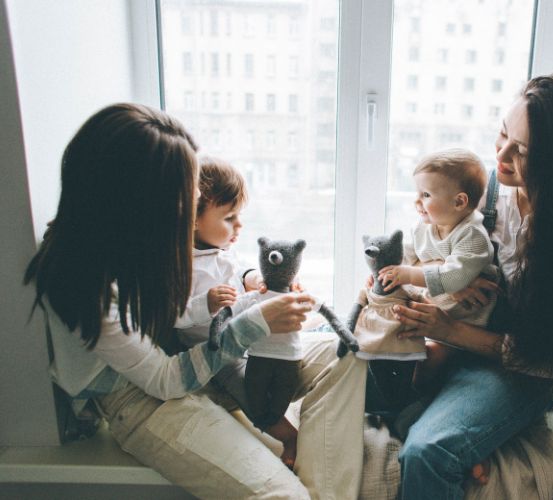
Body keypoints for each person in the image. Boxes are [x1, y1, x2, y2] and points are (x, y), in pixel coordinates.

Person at [24, 103, 366, 500]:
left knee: (348, 354)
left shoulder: (141, 237)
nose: (194, 200)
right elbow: (165, 381)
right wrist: (255, 323)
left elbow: (212, 278)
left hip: (200, 358)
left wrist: (258, 289)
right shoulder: (86, 281)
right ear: (141, 200)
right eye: (188, 194)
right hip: (144, 398)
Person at [392, 74, 553, 499]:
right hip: (454, 349)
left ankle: (474, 433)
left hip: (515, 370)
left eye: (521, 151)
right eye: (503, 133)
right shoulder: (482, 195)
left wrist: (448, 330)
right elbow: (423, 249)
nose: (500, 155)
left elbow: (545, 361)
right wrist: (448, 277)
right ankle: (474, 436)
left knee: (428, 452)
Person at [174, 156, 303, 469]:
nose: (239, 226)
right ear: (193, 219)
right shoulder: (180, 264)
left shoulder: (222, 250)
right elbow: (173, 316)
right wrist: (205, 304)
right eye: (230, 217)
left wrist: (254, 279)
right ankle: (289, 436)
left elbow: (240, 268)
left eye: (239, 216)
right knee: (250, 393)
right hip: (216, 353)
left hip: (246, 336)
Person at [377, 148, 499, 393]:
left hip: (464, 323)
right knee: (389, 334)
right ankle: (385, 384)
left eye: (426, 195)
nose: (417, 201)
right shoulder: (424, 227)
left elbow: (454, 277)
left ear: (459, 202)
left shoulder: (472, 236)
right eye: (417, 193)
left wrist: (409, 274)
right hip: (432, 308)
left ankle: (416, 398)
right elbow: (405, 258)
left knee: (430, 358)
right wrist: (387, 271)